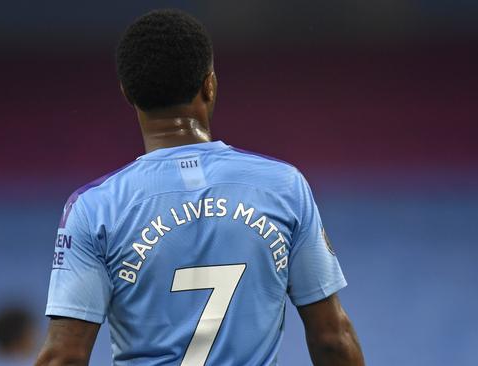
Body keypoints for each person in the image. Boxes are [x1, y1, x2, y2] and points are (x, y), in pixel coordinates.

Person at [36, 9, 364, 366]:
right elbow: (332, 339)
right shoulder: (284, 187)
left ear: (127, 93)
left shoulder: (94, 208)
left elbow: (63, 358)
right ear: (210, 84)